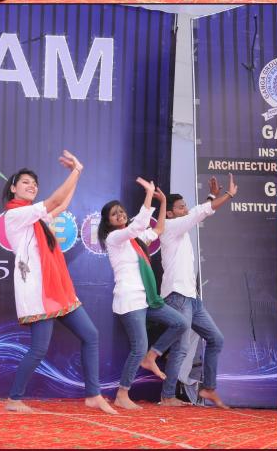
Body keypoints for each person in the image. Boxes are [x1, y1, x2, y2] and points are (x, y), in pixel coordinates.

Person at [2, 155, 118, 416]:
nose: (31, 186)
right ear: (13, 187)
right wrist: (76, 170)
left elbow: (62, 203)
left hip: (58, 290)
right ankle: (14, 398)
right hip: (38, 291)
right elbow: (54, 201)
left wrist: (77, 173)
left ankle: (93, 395)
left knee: (90, 335)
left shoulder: (37, 218)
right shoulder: (15, 215)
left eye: (34, 183)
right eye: (25, 182)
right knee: (39, 348)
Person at [144, 175, 236, 409]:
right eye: (181, 207)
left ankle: (208, 388)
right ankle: (165, 391)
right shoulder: (170, 227)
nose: (185, 209)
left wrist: (211, 196)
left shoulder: (180, 228)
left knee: (215, 339)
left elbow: (197, 212)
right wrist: (227, 196)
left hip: (192, 298)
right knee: (182, 347)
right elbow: (198, 213)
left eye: (185, 205)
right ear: (170, 213)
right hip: (177, 295)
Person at [97, 179, 190, 410]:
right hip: (130, 300)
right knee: (138, 346)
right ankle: (122, 394)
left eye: (121, 211)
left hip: (148, 299)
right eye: (114, 214)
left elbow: (158, 230)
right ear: (108, 222)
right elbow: (136, 225)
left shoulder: (135, 240)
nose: (120, 215)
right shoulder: (114, 239)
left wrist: (163, 202)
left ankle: (152, 356)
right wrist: (148, 194)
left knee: (180, 323)